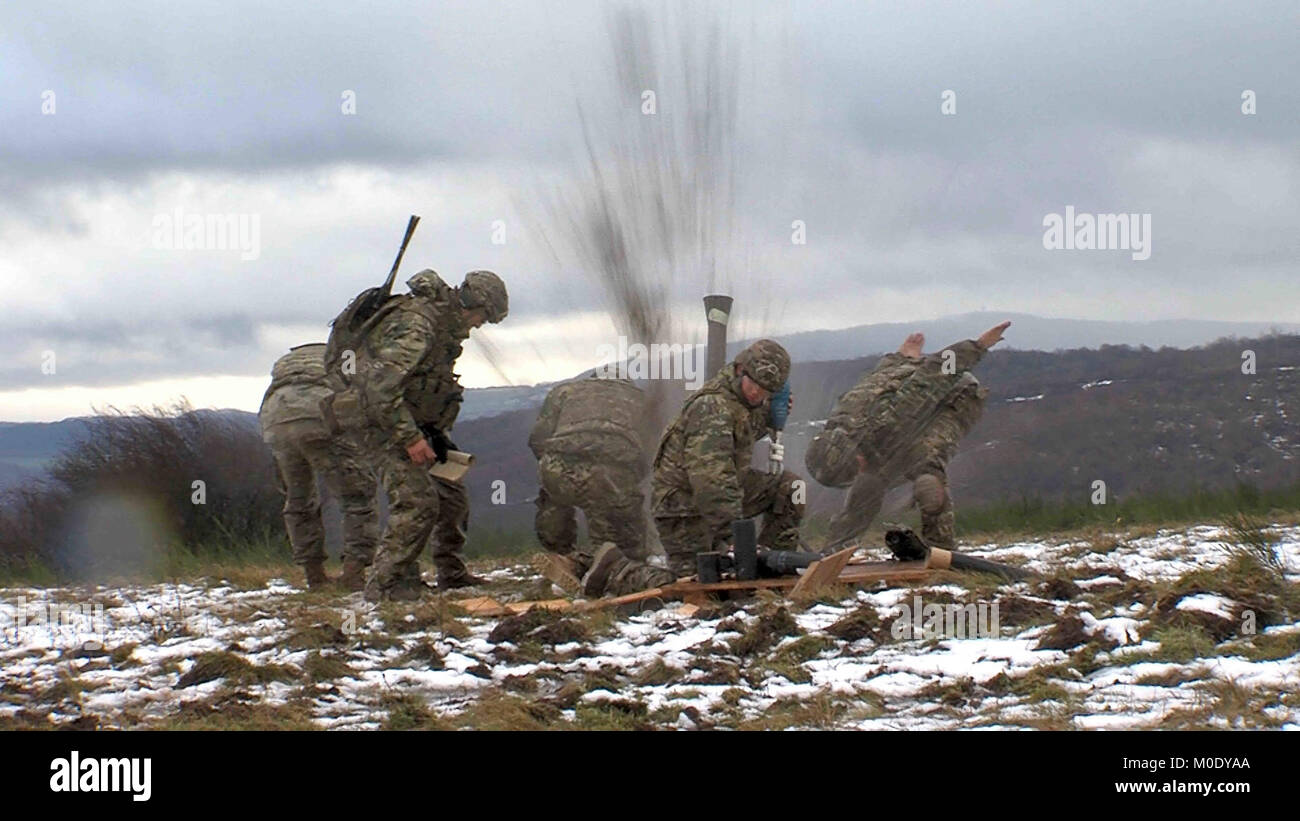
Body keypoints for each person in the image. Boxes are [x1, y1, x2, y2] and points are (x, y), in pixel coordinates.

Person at [326, 268, 508, 601]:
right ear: (472, 303)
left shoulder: (441, 327)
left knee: (450, 495)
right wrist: (410, 439)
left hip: (412, 421)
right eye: (483, 317)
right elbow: (380, 389)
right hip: (378, 420)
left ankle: (451, 574)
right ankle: (386, 586)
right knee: (416, 500)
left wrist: (430, 433)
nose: (479, 325)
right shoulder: (419, 326)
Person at [806, 321, 1010, 549]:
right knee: (867, 484)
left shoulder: (889, 422)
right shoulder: (842, 418)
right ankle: (837, 548)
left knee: (927, 468)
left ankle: (940, 548)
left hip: (956, 395)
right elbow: (880, 378)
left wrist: (978, 345)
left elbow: (934, 376)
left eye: (856, 468)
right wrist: (903, 357)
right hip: (911, 377)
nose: (859, 470)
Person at [651, 339, 805, 577]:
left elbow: (740, 437)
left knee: (794, 488)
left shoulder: (744, 402)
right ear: (740, 370)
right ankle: (616, 571)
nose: (757, 393)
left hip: (727, 492)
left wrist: (769, 418)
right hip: (683, 509)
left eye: (766, 391)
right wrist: (736, 538)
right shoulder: (712, 408)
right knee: (698, 583)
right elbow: (712, 480)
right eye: (754, 384)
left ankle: (772, 568)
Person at [528, 375, 673, 595]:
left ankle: (562, 558)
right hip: (608, 476)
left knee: (553, 496)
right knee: (624, 549)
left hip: (556, 469)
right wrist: (629, 485)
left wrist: (553, 466)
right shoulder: (640, 399)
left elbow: (537, 440)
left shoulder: (564, 390)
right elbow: (653, 451)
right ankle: (597, 570)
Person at [258, 343, 377, 590]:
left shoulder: (287, 361)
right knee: (356, 497)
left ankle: (315, 577)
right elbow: (369, 395)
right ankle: (353, 574)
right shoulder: (348, 354)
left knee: (298, 500)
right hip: (318, 411)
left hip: (274, 418)